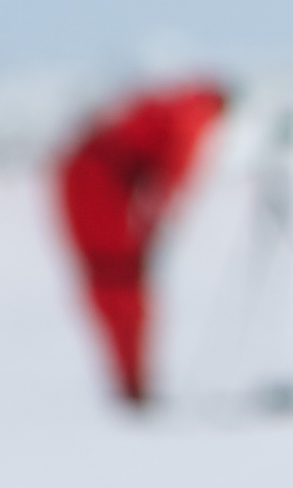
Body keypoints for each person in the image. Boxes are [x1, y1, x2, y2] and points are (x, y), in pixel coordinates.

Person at [51, 75, 230, 408]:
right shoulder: (194, 114)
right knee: (118, 278)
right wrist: (153, 226)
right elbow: (176, 172)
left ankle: (132, 382)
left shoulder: (176, 101)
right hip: (98, 182)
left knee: (114, 277)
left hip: (91, 177)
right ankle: (133, 386)